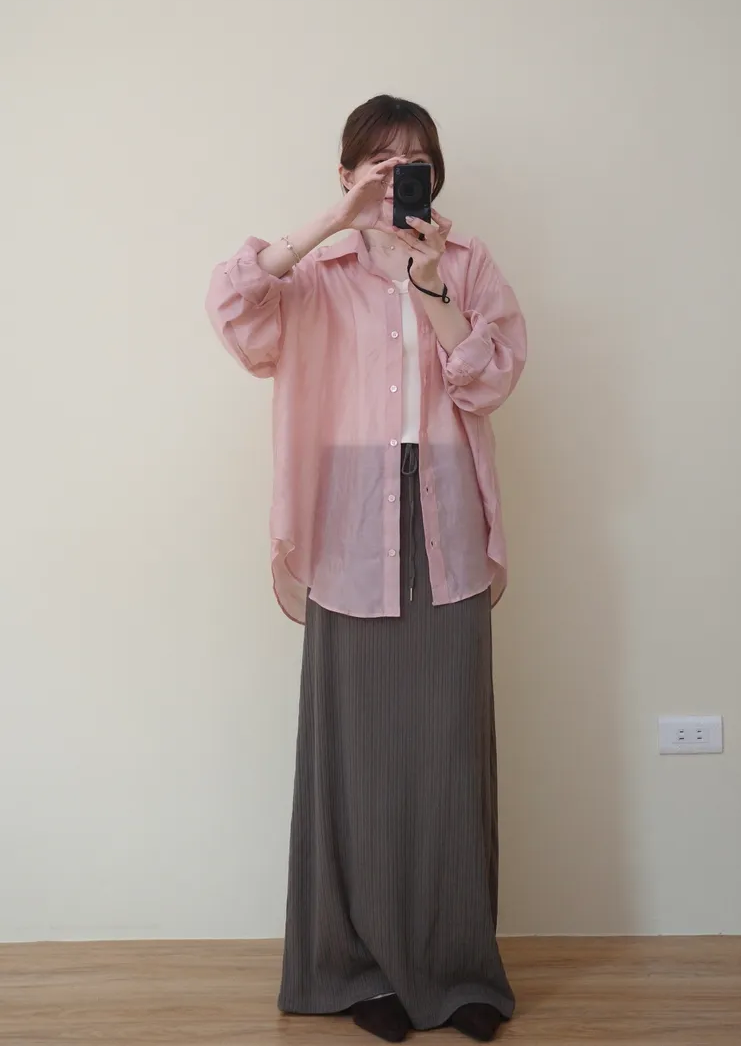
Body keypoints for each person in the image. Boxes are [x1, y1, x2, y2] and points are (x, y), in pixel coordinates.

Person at [206, 95, 526, 1043]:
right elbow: (233, 309)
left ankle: (459, 971)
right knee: (354, 757)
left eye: (413, 159)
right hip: (349, 521)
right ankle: (355, 970)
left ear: (435, 173)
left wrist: (431, 288)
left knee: (448, 751)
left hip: (446, 519)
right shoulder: (315, 275)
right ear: (348, 173)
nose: (396, 175)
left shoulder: (466, 264)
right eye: (378, 161)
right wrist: (328, 225)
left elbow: (494, 378)